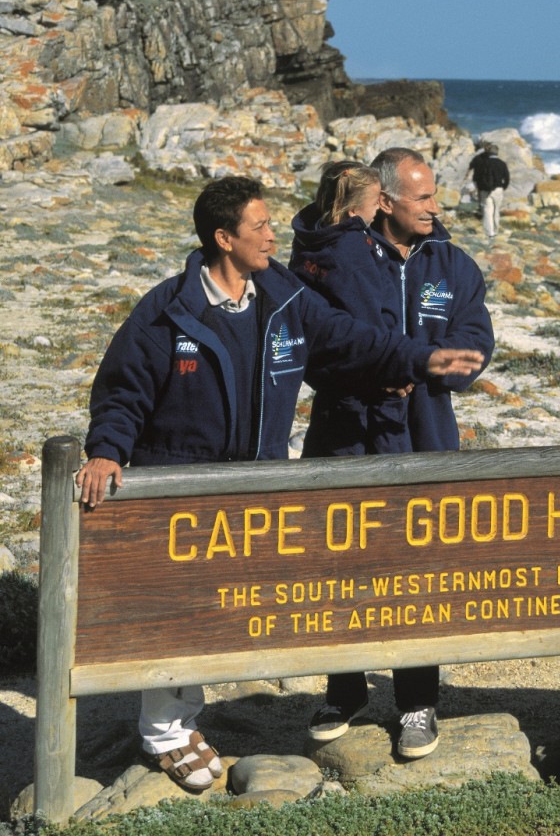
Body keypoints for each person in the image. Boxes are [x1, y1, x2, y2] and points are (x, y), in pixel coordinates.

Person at [75, 175, 485, 793]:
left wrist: (417, 359)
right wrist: (106, 452)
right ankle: (165, 733)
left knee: (215, 610)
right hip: (182, 480)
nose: (273, 235)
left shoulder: (284, 296)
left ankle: (185, 721)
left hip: (256, 479)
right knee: (179, 607)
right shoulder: (168, 309)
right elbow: (122, 391)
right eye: (259, 227)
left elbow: (348, 339)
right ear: (223, 238)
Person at [302, 148, 495, 760]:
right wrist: (385, 366)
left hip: (426, 434)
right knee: (342, 566)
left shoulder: (455, 266)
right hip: (344, 435)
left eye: (435, 196)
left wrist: (442, 372)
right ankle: (344, 689)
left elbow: (475, 340)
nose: (436, 209)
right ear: (384, 201)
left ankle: (417, 701)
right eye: (423, 199)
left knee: (422, 571)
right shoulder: (340, 260)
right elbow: (317, 348)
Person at [289, 160, 411, 454]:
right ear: (353, 211)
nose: (380, 207)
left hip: (332, 371)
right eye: (375, 201)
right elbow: (366, 316)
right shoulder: (351, 251)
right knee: (373, 464)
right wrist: (391, 366)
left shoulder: (311, 239)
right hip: (365, 379)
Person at [466, 141, 510, 238]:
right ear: (497, 153)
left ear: (489, 152)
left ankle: (490, 233)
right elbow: (507, 178)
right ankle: (496, 228)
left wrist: (479, 188)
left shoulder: (484, 163)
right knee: (496, 210)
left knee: (487, 210)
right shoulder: (502, 164)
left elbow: (478, 177)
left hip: (485, 190)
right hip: (498, 189)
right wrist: (503, 187)